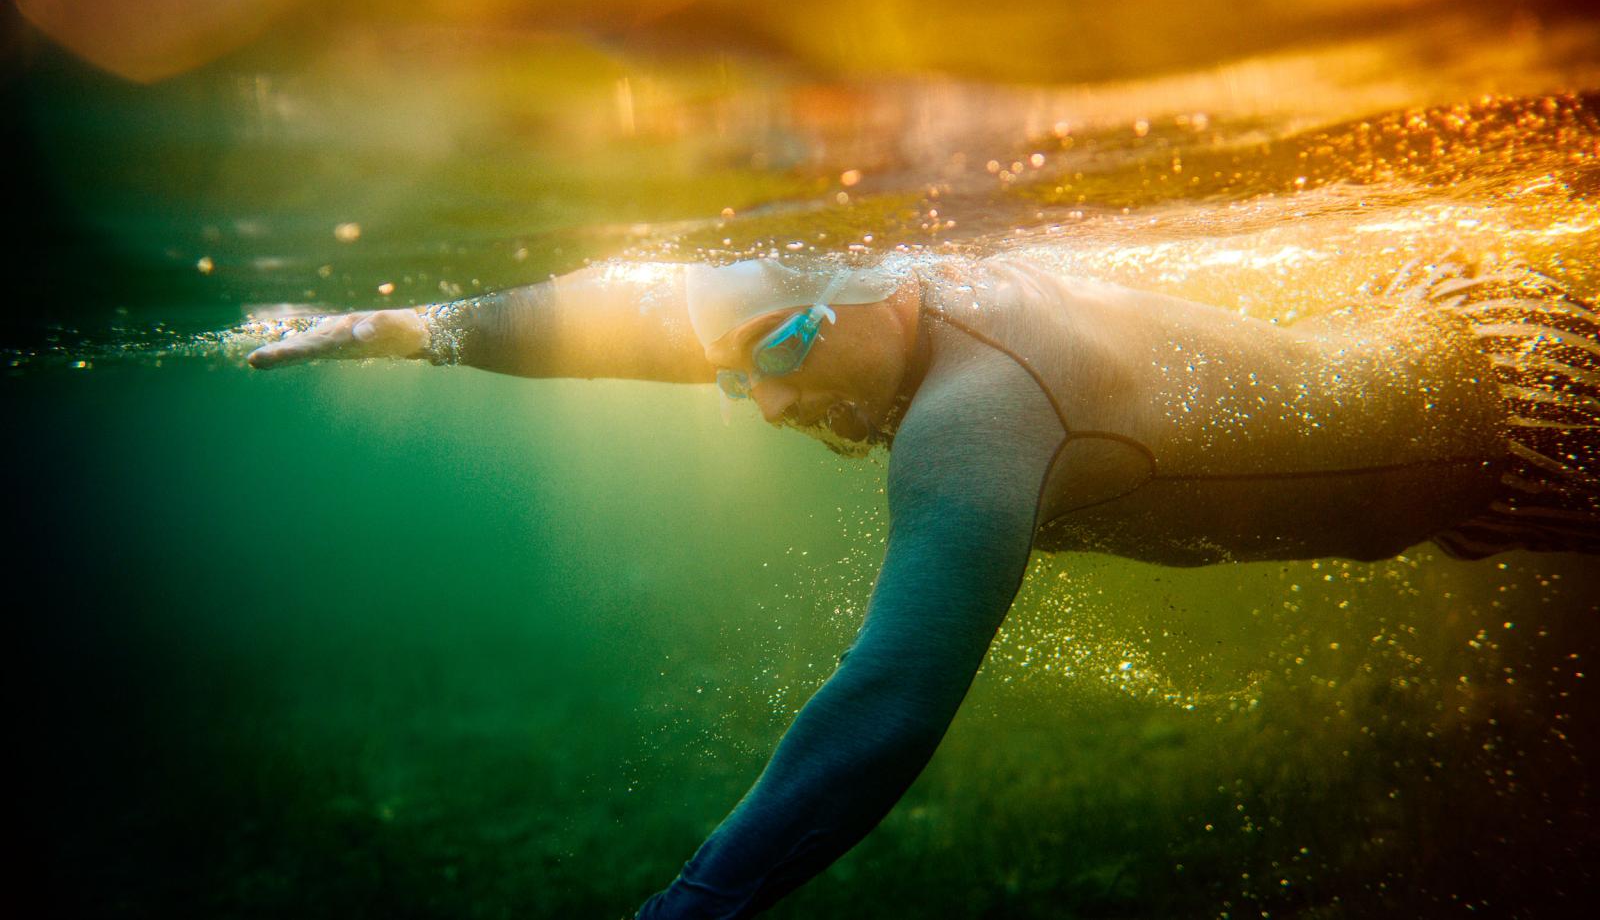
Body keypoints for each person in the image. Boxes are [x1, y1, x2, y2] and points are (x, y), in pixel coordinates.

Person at [247, 252, 1600, 918]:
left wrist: (696, 907)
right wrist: (399, 328)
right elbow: (632, 321)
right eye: (734, 371)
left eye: (772, 354)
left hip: (1525, 417)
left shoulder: (975, 416)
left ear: (870, 288)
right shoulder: (858, 308)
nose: (762, 399)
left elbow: (886, 706)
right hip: (1443, 324)